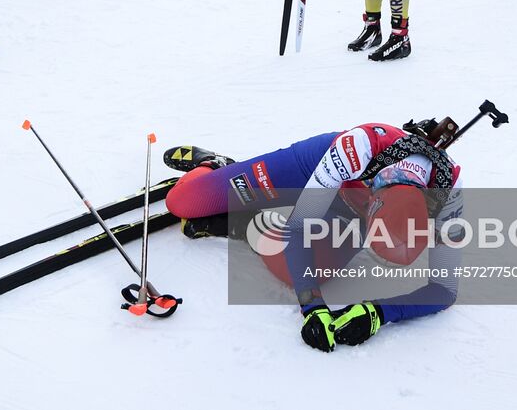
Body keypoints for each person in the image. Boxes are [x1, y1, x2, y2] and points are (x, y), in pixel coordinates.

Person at [163, 117, 465, 353]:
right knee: (183, 202)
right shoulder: (357, 148)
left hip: (353, 207)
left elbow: (444, 290)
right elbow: (298, 228)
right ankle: (215, 167)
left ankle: (244, 223)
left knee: (296, 272)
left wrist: (378, 313)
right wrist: (312, 307)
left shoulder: (450, 189)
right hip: (318, 166)